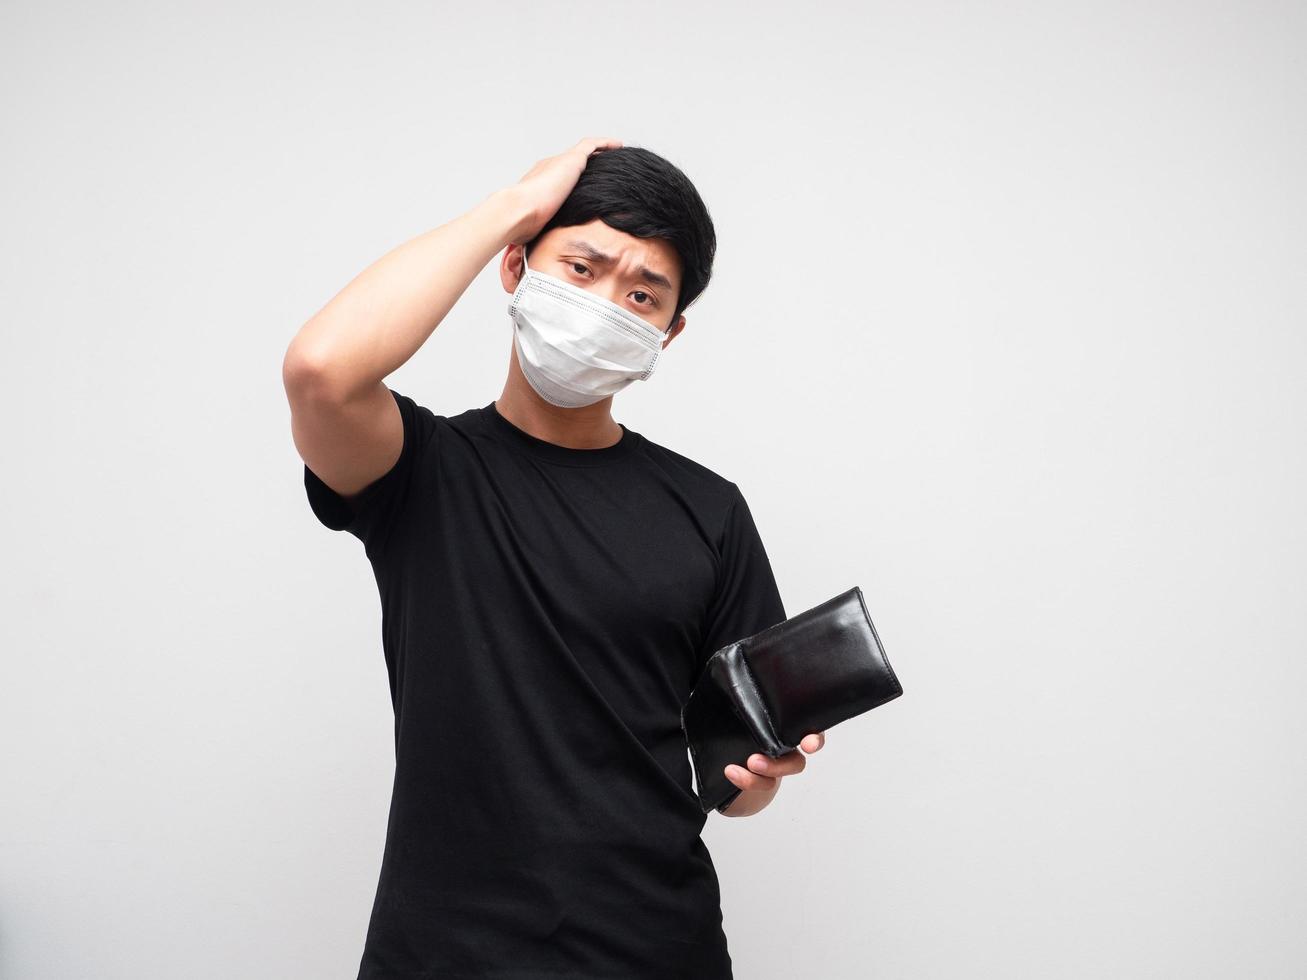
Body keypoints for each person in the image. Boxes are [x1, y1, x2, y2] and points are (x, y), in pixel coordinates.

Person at [282, 136, 827, 979]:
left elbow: (738, 785)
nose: (608, 303)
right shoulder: (418, 470)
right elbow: (321, 369)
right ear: (515, 268)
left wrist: (759, 773)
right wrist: (515, 203)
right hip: (441, 954)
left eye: (642, 294)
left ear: (668, 334)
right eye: (581, 268)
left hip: (655, 951)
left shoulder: (708, 510)